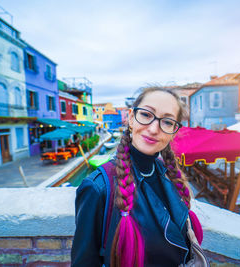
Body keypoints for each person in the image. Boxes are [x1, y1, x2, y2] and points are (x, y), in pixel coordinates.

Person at [71, 87, 203, 267]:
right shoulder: (98, 187)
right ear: (131, 118)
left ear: (174, 131)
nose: (154, 128)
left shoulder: (169, 176)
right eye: (147, 115)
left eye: (167, 122)